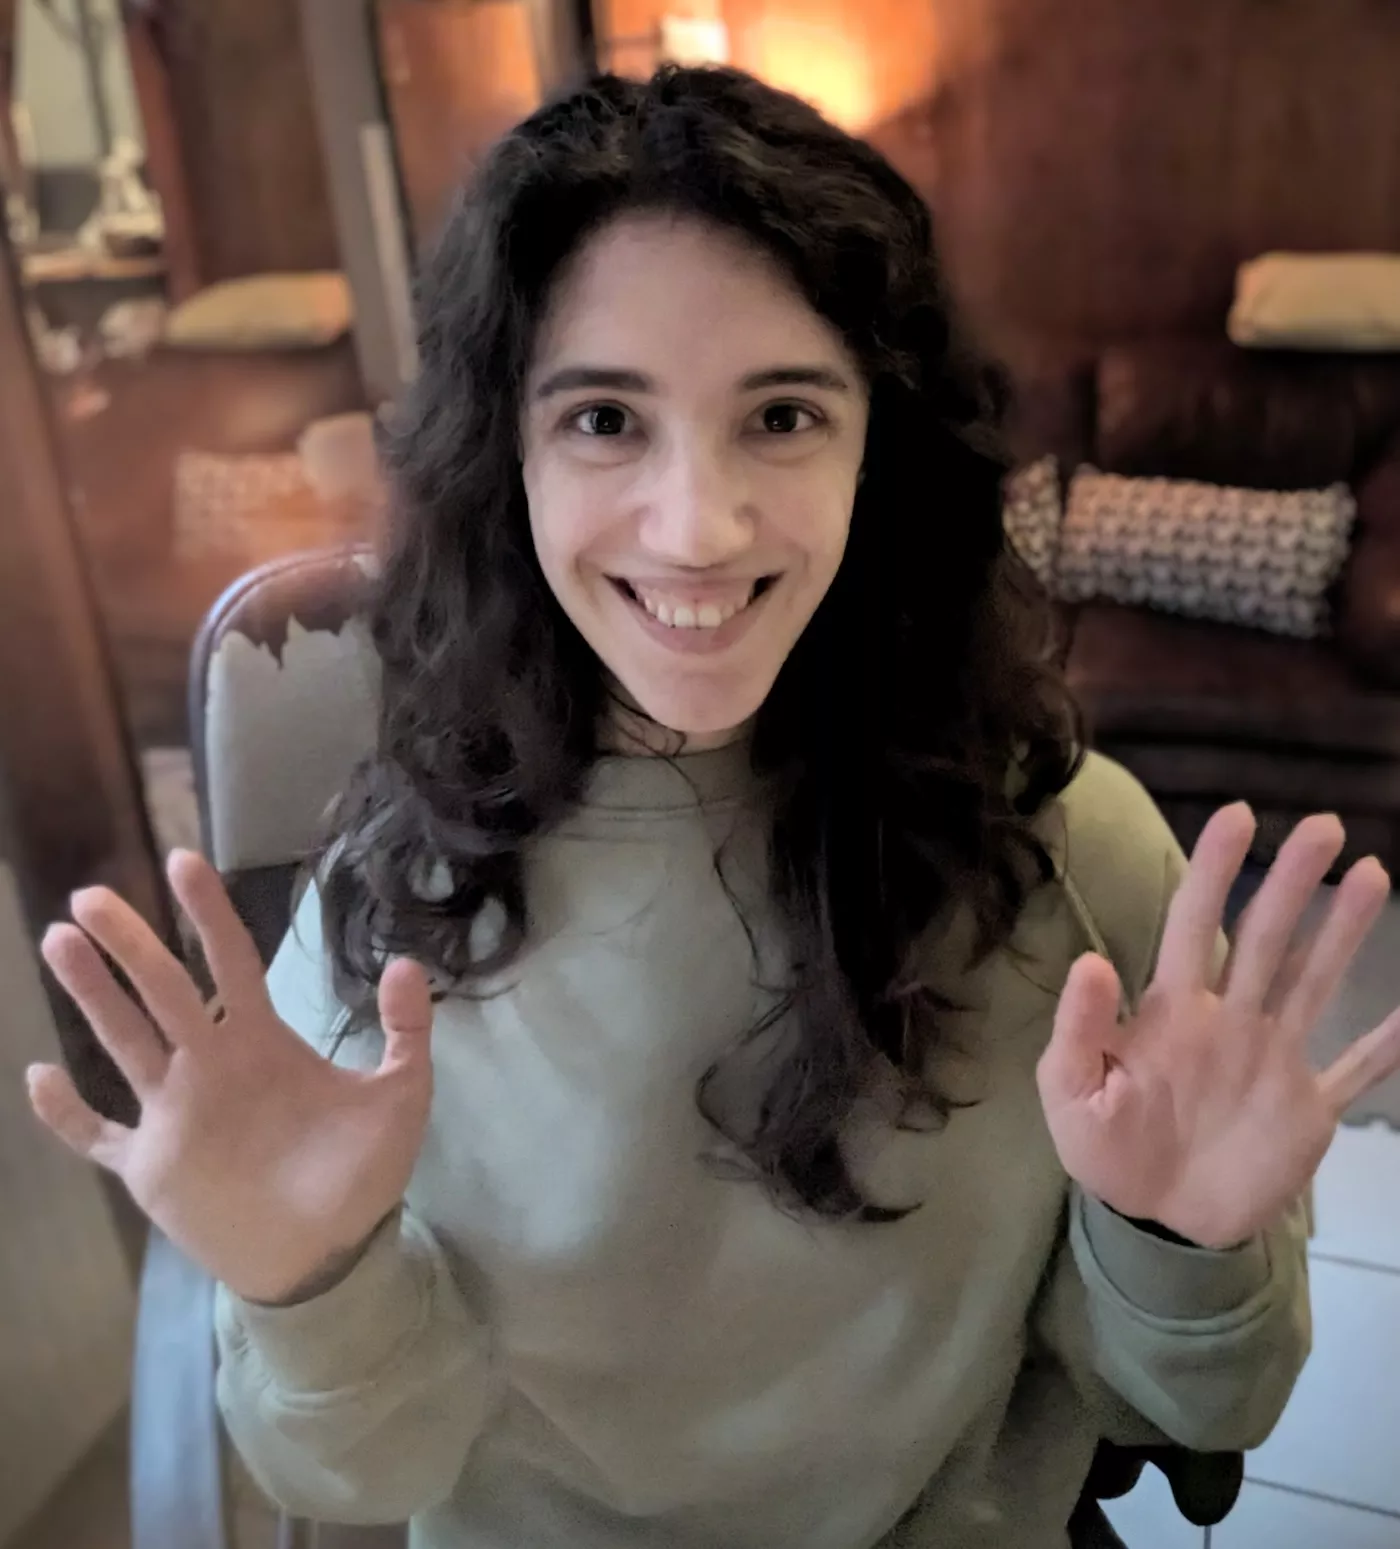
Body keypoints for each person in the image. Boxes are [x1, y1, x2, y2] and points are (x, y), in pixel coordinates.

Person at [25, 65, 1400, 1549]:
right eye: (607, 419)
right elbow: (358, 1477)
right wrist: (309, 1286)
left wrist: (1178, 1245)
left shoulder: (1072, 860)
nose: (698, 530)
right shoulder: (393, 901)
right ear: (510, 457)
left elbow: (1194, 1409)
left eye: (784, 416)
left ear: (881, 444)